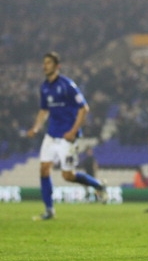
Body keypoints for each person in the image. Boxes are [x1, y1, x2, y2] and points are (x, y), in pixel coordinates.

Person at [27, 52, 107, 220]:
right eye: (44, 62)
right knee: (43, 169)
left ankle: (98, 185)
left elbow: (84, 108)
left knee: (68, 176)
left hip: (67, 137)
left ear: (57, 66)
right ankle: (49, 210)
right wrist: (36, 127)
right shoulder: (44, 87)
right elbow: (43, 110)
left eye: (48, 63)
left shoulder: (67, 85)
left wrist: (73, 131)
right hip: (51, 134)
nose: (44, 66)